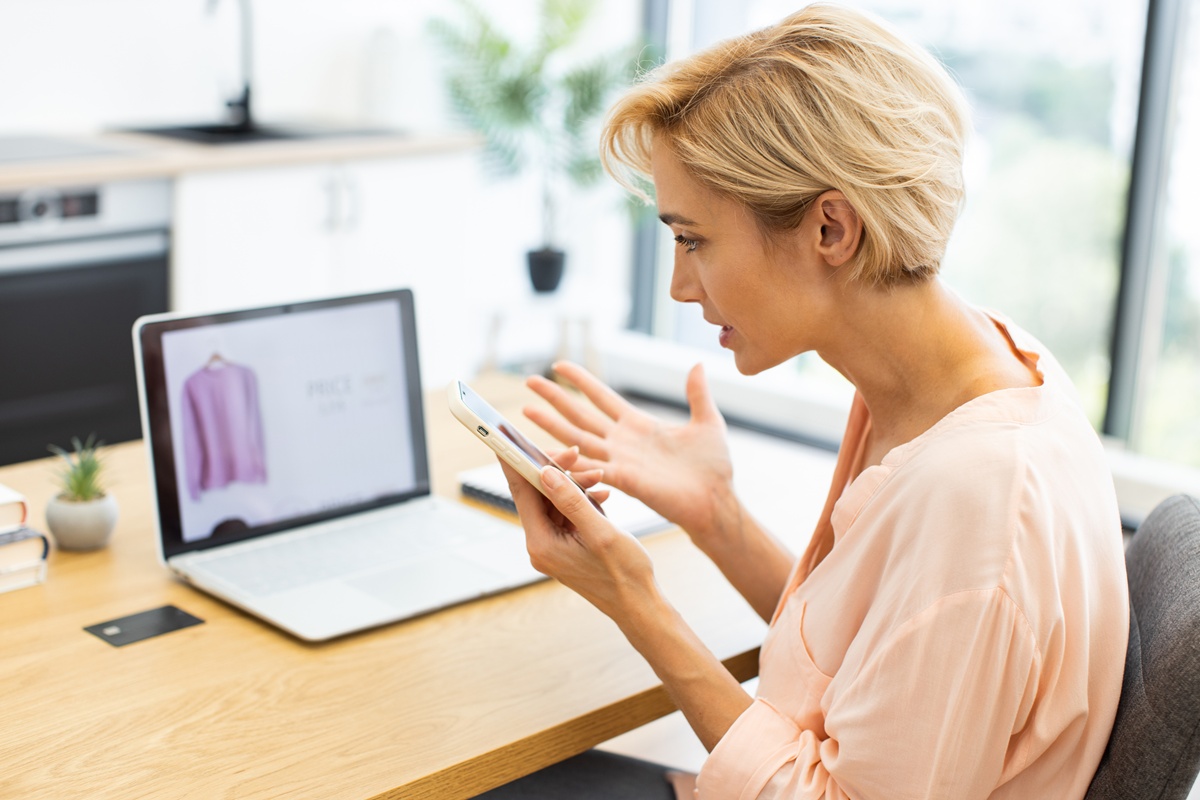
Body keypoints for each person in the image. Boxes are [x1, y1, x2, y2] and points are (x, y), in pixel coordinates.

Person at [477, 4, 1129, 799]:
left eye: (694, 241)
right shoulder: (971, 370)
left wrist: (635, 601)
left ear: (831, 229)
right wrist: (718, 516)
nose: (682, 287)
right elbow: (877, 661)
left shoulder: (982, 495)